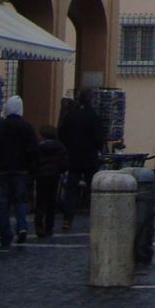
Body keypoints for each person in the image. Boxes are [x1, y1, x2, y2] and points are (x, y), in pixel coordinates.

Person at [0, 95, 39, 248]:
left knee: (2, 204)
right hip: (21, 170)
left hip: (1, 170)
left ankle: (5, 236)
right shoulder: (27, 127)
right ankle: (22, 226)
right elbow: (34, 149)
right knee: (20, 201)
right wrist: (30, 166)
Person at [58, 89, 103, 231]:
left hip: (74, 157)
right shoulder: (93, 116)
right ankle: (96, 218)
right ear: (90, 100)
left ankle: (67, 219)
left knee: (71, 190)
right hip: (90, 157)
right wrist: (96, 147)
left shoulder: (71, 115)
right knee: (93, 189)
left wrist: (69, 145)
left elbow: (61, 132)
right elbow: (98, 138)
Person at [33, 125, 69, 238]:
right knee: (51, 202)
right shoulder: (60, 147)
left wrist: (34, 171)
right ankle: (49, 227)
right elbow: (64, 163)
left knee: (40, 202)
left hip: (41, 176)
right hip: (54, 176)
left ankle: (39, 225)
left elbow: (34, 161)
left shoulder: (38, 147)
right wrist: (60, 170)